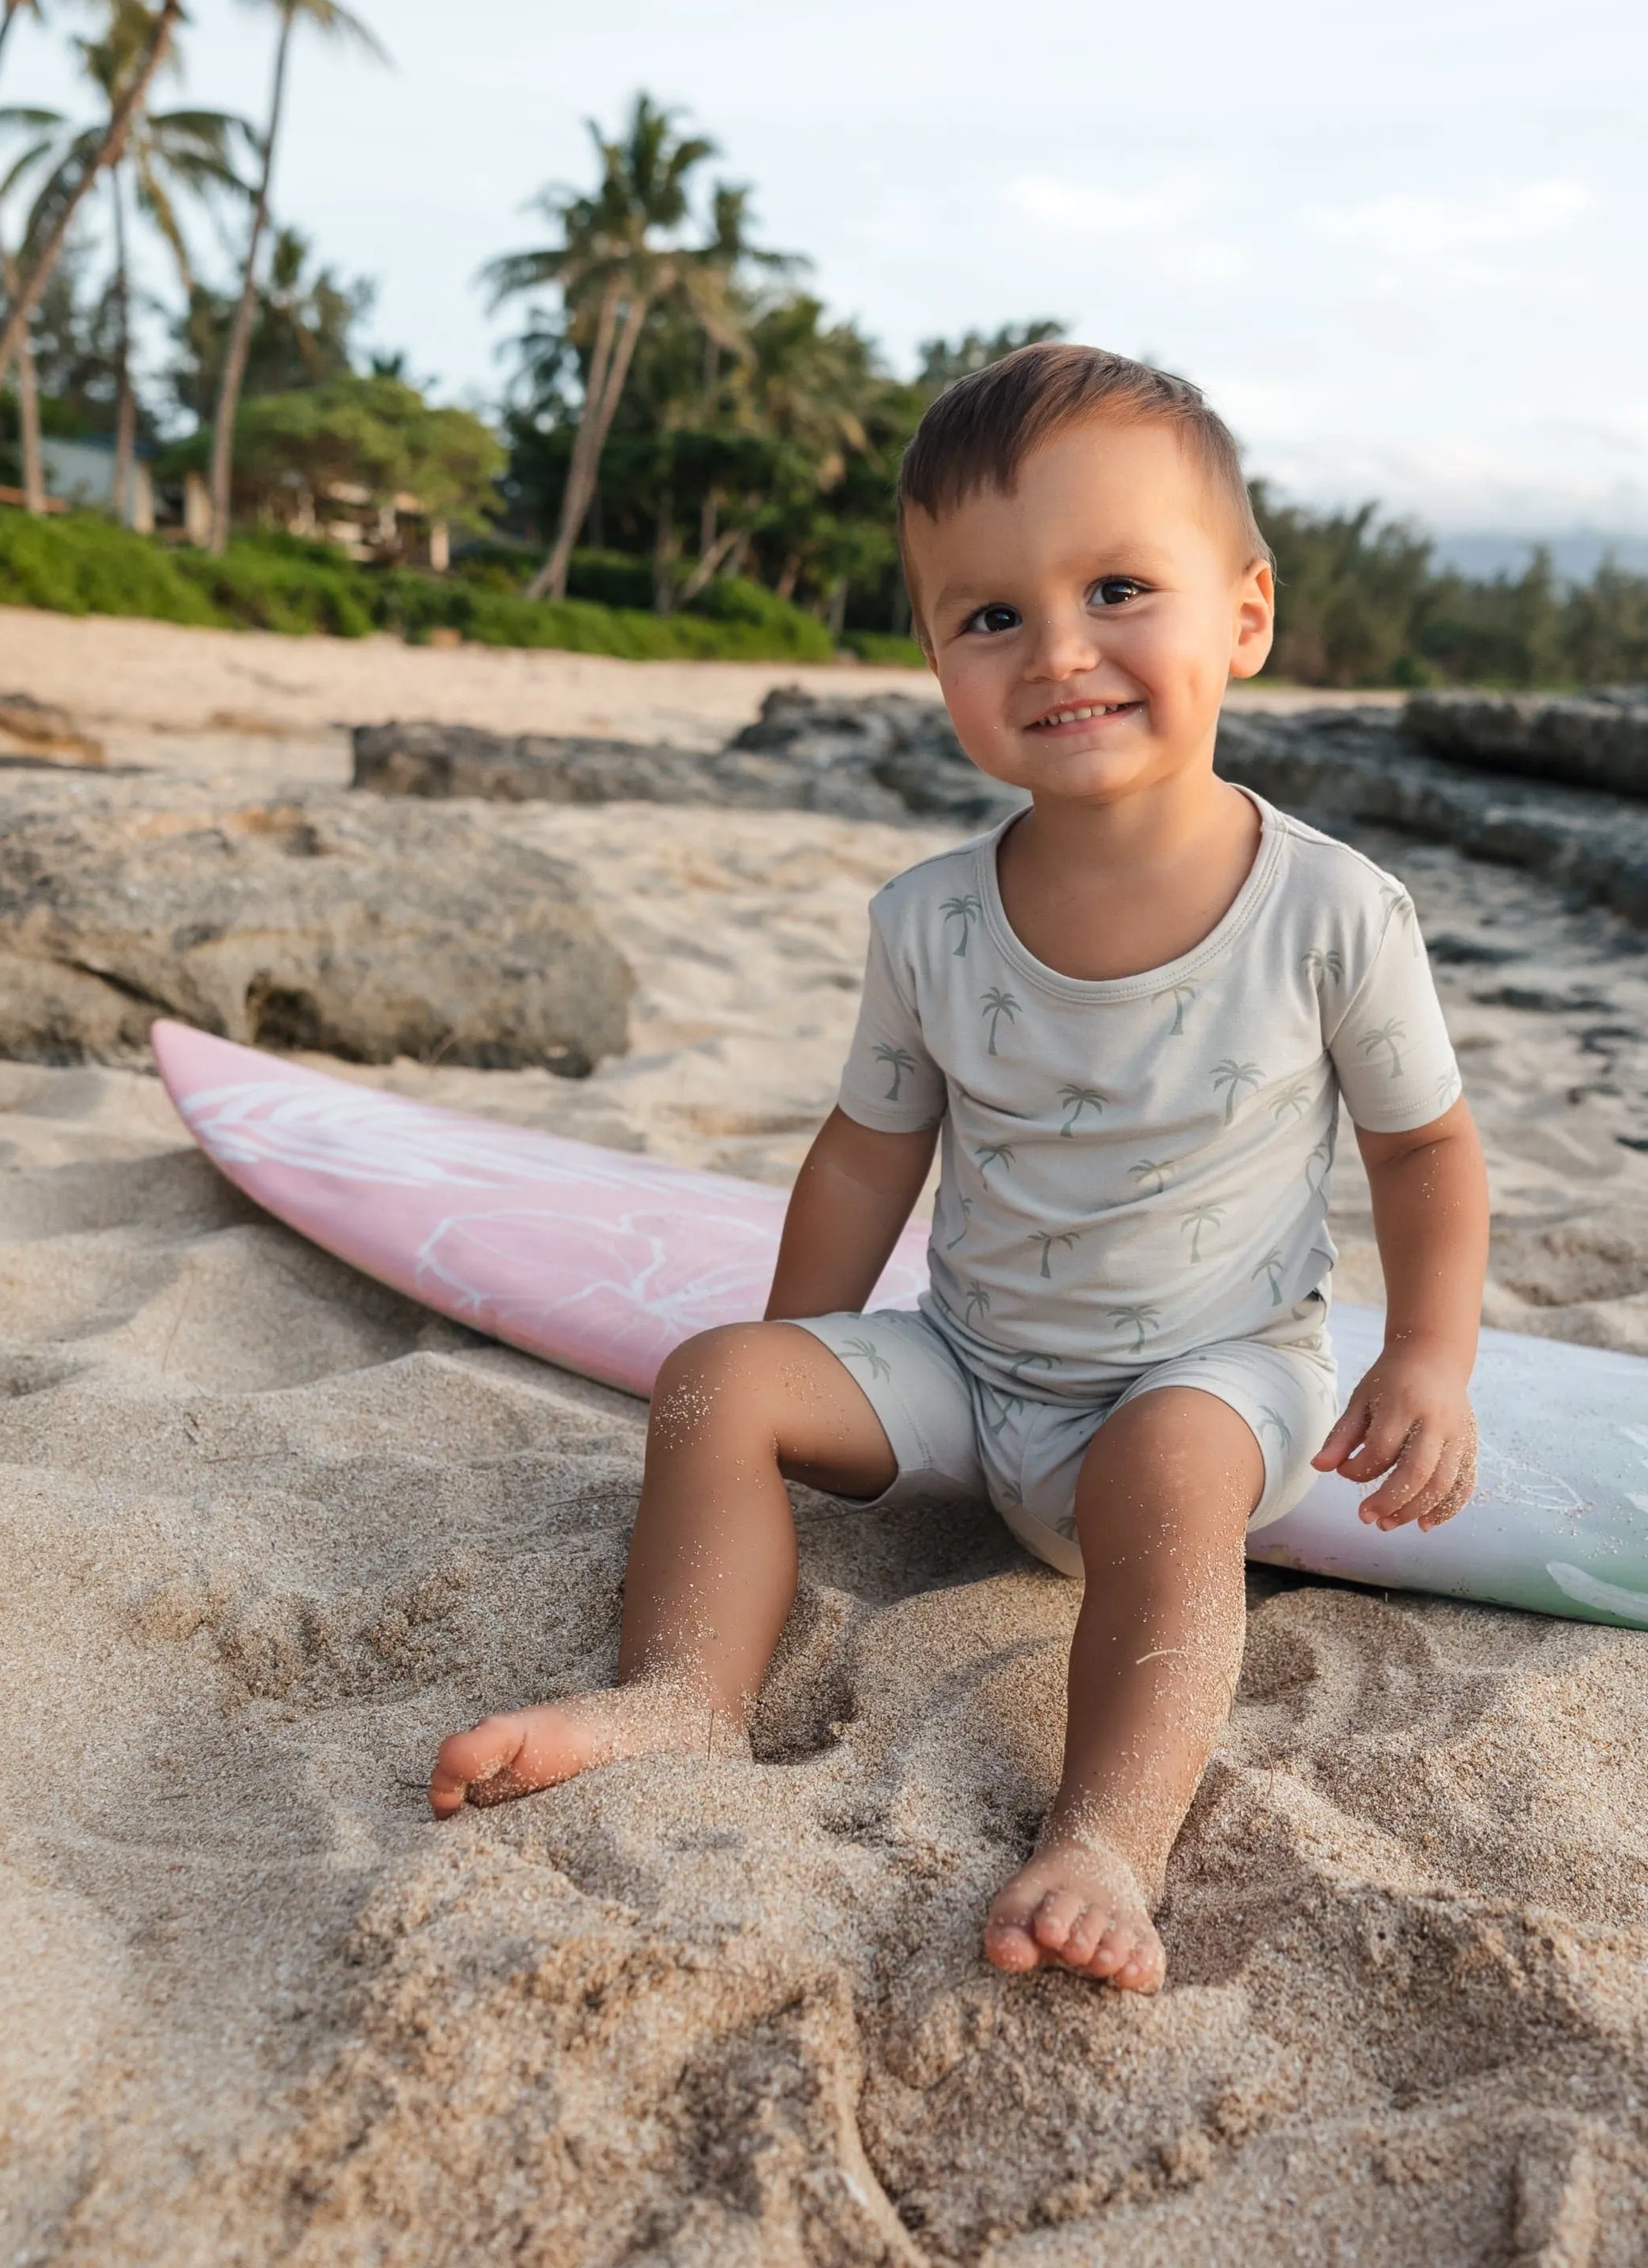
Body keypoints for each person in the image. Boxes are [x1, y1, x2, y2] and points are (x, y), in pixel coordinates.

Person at [431, 343, 1490, 1995]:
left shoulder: (1330, 912)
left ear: (1245, 617)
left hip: (1211, 1377)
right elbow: (867, 1157)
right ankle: (682, 1695)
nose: (1059, 651)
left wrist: (1430, 1359)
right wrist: (801, 1359)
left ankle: (1107, 1841)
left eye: (1120, 589)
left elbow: (1422, 1151)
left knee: (1169, 1482)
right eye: (991, 616)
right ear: (935, 656)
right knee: (713, 1380)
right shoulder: (928, 920)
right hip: (968, 1367)